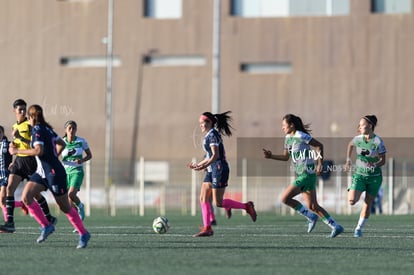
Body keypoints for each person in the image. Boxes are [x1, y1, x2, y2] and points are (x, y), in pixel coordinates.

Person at [8, 104, 90, 248]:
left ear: (32, 116)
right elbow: (61, 143)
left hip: (53, 172)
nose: (27, 118)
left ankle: (83, 233)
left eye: (28, 116)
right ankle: (46, 226)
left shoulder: (39, 129)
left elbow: (38, 151)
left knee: (64, 206)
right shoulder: (47, 129)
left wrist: (17, 151)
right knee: (26, 196)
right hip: (42, 172)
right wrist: (54, 155)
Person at [262, 114, 344, 238]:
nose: (282, 128)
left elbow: (319, 145)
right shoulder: (288, 138)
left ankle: (310, 216)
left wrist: (320, 164)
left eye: (284, 125)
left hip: (306, 174)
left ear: (291, 125)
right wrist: (271, 156)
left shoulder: (301, 136)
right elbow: (285, 157)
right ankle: (335, 226)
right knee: (313, 206)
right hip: (303, 175)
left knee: (285, 198)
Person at [188, 111, 257, 237]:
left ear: (209, 122)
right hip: (212, 169)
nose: (200, 125)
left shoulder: (213, 134)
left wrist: (204, 165)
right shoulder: (209, 135)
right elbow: (209, 156)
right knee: (203, 198)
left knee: (218, 203)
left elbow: (216, 156)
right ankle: (207, 228)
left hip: (219, 168)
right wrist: (198, 164)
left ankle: (246, 206)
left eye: (202, 123)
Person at [0, 99, 56, 233]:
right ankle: (10, 223)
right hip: (19, 161)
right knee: (9, 188)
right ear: (14, 111)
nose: (23, 112)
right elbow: (18, 144)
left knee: (35, 194)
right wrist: (14, 148)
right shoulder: (14, 126)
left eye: (24, 109)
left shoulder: (29, 125)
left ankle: (49, 217)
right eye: (20, 110)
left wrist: (21, 137)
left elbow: (33, 144)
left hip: (31, 161)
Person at [345, 115, 386, 237]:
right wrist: (348, 160)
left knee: (368, 203)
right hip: (359, 175)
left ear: (370, 126)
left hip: (374, 178)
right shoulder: (358, 139)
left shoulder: (378, 141)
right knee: (352, 201)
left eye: (362, 124)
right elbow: (350, 145)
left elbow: (382, 161)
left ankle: (358, 229)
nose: (359, 126)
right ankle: (355, 188)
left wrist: (374, 163)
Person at [59, 120, 92, 221]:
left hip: (77, 171)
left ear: (76, 130)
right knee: (68, 201)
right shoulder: (61, 142)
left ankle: (80, 206)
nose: (72, 130)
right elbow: (55, 154)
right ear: (66, 130)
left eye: (74, 128)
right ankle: (77, 221)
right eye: (69, 128)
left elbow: (89, 155)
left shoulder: (81, 141)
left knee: (71, 194)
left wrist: (81, 160)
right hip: (65, 173)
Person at [0, 125, 28, 221]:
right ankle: (21, 204)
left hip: (6, 174)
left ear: (3, 134)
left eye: (0, 133)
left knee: (3, 198)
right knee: (2, 202)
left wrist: (14, 163)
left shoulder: (8, 144)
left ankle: (8, 222)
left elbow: (18, 152)